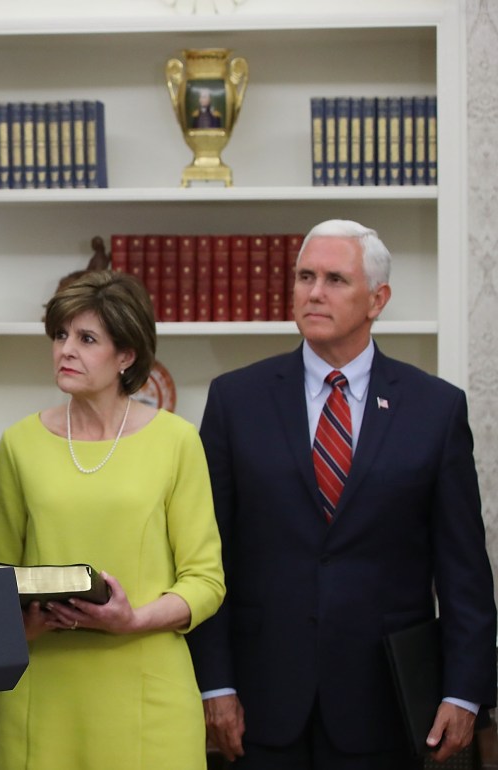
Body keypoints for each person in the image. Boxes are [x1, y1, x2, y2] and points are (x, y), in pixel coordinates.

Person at [186, 219, 497, 769]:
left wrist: (463, 691)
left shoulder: (435, 410)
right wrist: (214, 685)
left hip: (387, 700)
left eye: (334, 279)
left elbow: (463, 568)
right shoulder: (236, 400)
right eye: (305, 276)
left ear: (378, 299)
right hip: (261, 702)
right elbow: (208, 554)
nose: (313, 292)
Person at [0, 270, 225, 770]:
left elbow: (205, 581)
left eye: (86, 338)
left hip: (147, 693)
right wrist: (22, 623)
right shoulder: (19, 443)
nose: (65, 350)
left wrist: (132, 619)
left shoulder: (177, 441)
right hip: (39, 688)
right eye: (60, 335)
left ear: (126, 355)